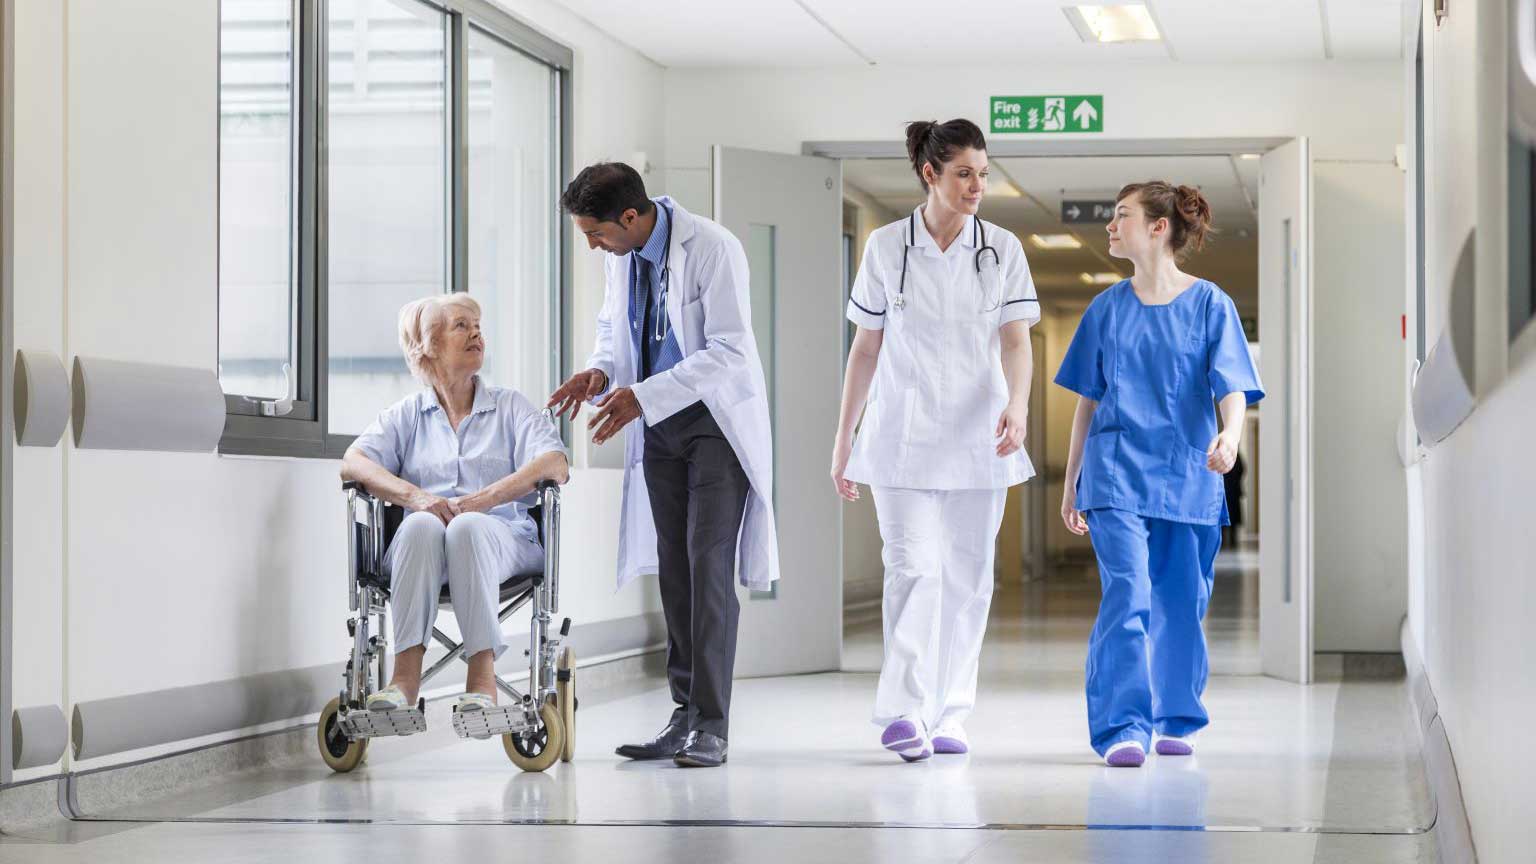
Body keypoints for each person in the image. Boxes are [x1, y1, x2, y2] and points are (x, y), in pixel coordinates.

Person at [548, 162, 778, 769]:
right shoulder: (619, 257)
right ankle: (684, 715)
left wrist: (642, 396)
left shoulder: (713, 249)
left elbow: (729, 350)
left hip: (714, 427)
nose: (592, 246)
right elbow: (612, 328)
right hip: (658, 427)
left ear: (630, 217)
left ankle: (714, 724)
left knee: (708, 569)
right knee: (674, 570)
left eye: (595, 233)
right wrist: (599, 372)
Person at [831, 119, 1040, 763]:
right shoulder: (886, 247)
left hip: (982, 436)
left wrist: (1020, 406)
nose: (978, 185)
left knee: (969, 580)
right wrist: (844, 437)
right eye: (964, 173)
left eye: (983, 172)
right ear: (930, 174)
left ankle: (952, 711)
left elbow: (1015, 340)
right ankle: (905, 710)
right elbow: (865, 347)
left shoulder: (1000, 248)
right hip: (900, 436)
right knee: (914, 569)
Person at [1055, 181, 1264, 768]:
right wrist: (1072, 480)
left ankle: (1175, 716)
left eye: (1121, 216)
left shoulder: (1210, 304)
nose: (1111, 227)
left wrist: (1230, 436)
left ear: (1158, 228)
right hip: (1115, 474)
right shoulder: (1106, 308)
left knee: (1179, 603)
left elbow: (1232, 388)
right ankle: (1122, 726)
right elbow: (1086, 403)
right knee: (1128, 592)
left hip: (1187, 473)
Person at [341, 293, 570, 720]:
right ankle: (403, 679)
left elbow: (555, 462)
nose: (476, 332)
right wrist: (417, 497)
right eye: (461, 325)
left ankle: (482, 678)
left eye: (478, 324)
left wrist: (483, 500)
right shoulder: (407, 415)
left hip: (504, 543)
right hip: (423, 554)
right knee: (420, 525)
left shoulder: (510, 407)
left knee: (467, 527)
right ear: (427, 346)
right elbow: (353, 462)